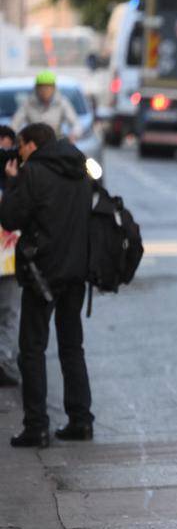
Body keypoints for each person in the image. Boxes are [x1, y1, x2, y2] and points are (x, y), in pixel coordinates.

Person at [0, 123, 94, 447]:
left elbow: (9, 218)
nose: (19, 153)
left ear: (31, 145)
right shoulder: (79, 167)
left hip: (43, 274)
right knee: (71, 346)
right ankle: (81, 420)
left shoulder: (34, 173)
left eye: (21, 146)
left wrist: (13, 183)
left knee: (32, 349)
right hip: (76, 271)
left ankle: (36, 426)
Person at [0, 125, 21, 387]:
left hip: (10, 259)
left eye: (6, 149)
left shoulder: (22, 178)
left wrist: (14, 181)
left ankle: (4, 363)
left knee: (9, 313)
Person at [11, 71, 81, 140]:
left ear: (54, 89)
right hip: (34, 145)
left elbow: (75, 123)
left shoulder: (62, 103)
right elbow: (14, 124)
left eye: (47, 88)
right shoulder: (27, 103)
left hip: (55, 143)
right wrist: (18, 138)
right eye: (41, 88)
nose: (44, 91)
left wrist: (73, 135)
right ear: (36, 89)